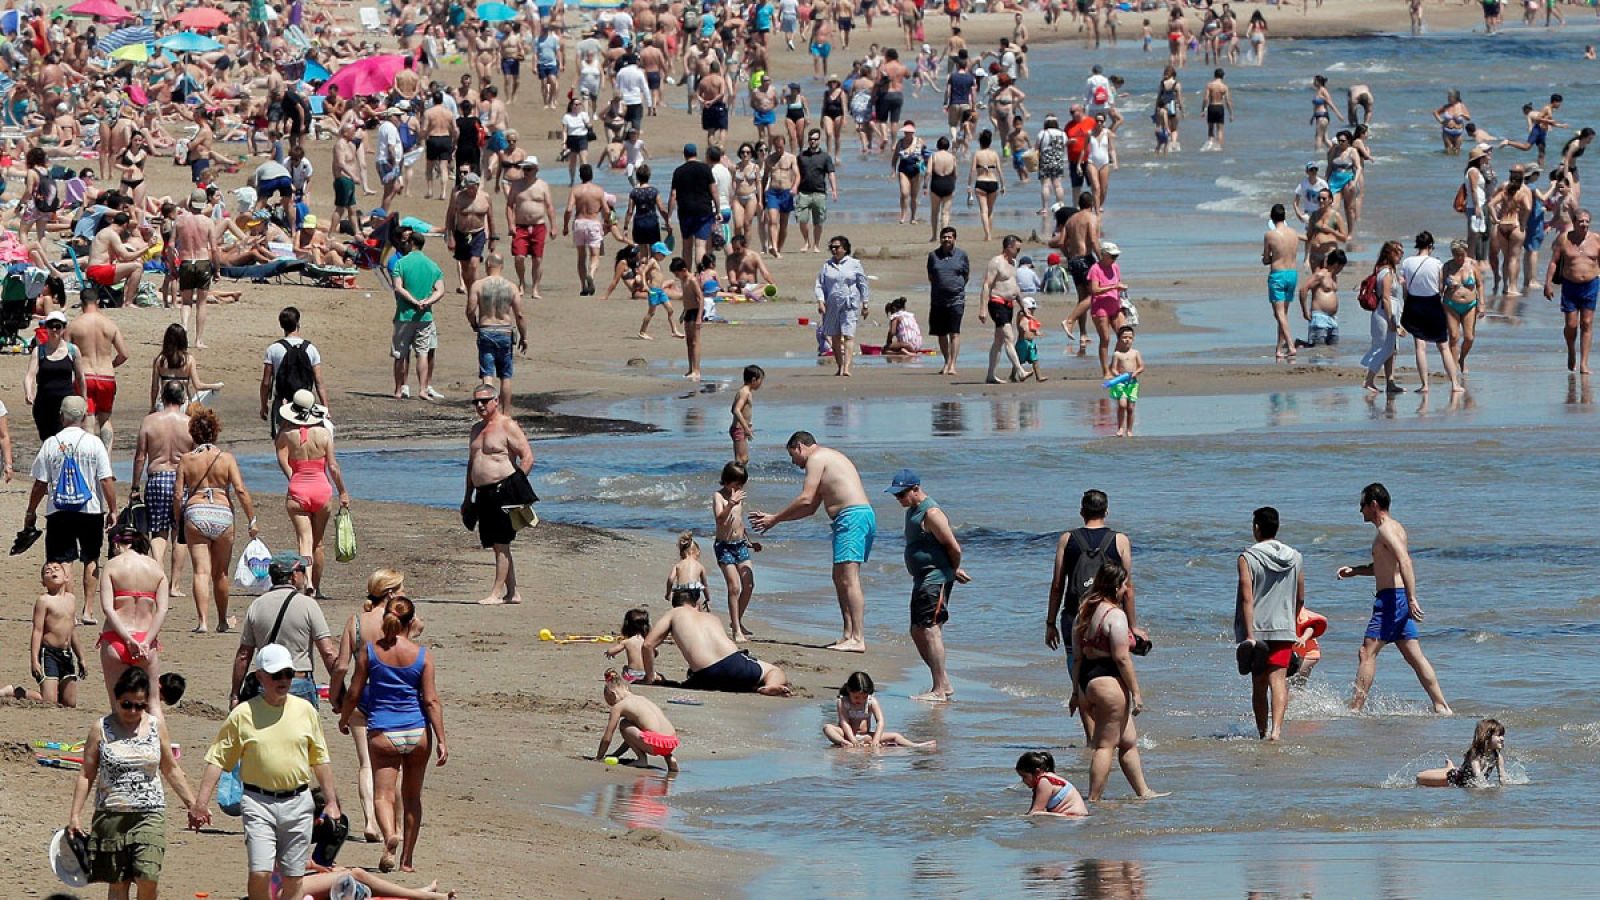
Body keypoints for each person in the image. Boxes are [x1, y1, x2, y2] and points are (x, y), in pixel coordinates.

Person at [191, 643, 343, 900]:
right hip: (258, 802)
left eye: (287, 674)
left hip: (298, 802)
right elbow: (217, 758)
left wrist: (331, 802)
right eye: (276, 675)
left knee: (293, 877)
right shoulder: (243, 715)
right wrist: (200, 803)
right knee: (260, 871)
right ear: (261, 676)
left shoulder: (305, 711)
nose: (283, 680)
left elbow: (320, 759)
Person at [67, 667, 199, 900]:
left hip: (149, 814)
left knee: (148, 877)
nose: (133, 710)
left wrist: (193, 804)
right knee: (118, 884)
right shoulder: (100, 729)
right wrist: (75, 815)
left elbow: (170, 768)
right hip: (111, 815)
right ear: (116, 698)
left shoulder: (156, 726)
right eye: (127, 704)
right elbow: (86, 774)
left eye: (140, 705)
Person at [338, 596, 446, 874]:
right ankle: (407, 861)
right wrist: (442, 739)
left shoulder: (371, 652)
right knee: (412, 798)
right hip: (417, 730)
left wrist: (345, 716)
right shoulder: (422, 655)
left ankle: (389, 837)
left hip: (384, 730)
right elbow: (432, 701)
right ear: (411, 622)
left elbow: (354, 691)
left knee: (383, 795)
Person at [750, 432, 874, 652]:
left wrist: (774, 518)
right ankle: (848, 634)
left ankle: (858, 637)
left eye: (792, 456)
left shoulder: (816, 458)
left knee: (849, 577)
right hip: (854, 518)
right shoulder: (828, 458)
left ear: (799, 446)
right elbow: (809, 508)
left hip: (852, 517)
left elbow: (805, 497)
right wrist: (775, 520)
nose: (794, 463)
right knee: (839, 577)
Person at [1337, 483, 1453, 714]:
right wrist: (1356, 570)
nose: (1360, 511)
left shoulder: (1386, 530)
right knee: (1414, 655)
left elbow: (1405, 561)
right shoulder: (1395, 528)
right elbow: (1384, 567)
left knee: (1366, 652)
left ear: (1373, 505)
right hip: (1395, 598)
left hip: (1392, 601)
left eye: (1362, 505)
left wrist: (1411, 598)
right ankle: (1441, 705)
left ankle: (1354, 709)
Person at [1046, 489, 1137, 735]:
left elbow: (1057, 585)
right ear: (1106, 511)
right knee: (1112, 669)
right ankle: (1114, 729)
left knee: (1079, 669)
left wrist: (1050, 622)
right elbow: (1127, 588)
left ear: (1081, 512)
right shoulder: (1120, 540)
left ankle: (1091, 737)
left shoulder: (1067, 539)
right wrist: (1132, 625)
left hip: (1074, 616)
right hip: (1109, 616)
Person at [1070, 562, 1163, 801]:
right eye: (1123, 585)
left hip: (1086, 681)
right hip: (1108, 683)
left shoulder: (1084, 612)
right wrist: (1137, 693)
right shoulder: (1115, 616)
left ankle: (1144, 792)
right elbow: (1122, 658)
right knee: (1105, 746)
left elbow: (1077, 656)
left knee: (1128, 740)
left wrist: (1075, 693)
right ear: (1115, 587)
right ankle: (1093, 799)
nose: (1126, 590)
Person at [26, 395, 116, 626]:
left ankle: (71, 610)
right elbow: (106, 480)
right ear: (85, 415)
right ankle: (88, 610)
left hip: (59, 510)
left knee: (64, 560)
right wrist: (113, 509)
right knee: (91, 558)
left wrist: (31, 510)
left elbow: (40, 484)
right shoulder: (94, 443)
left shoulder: (51, 443)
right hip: (91, 509)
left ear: (62, 416)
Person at [175, 408, 258, 633]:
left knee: (200, 571)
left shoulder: (186, 460)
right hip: (222, 513)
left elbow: (177, 495)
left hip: (196, 511)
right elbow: (240, 490)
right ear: (215, 432)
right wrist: (252, 519)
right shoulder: (226, 459)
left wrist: (177, 520)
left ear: (193, 433)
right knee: (220, 573)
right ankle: (221, 620)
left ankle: (202, 622)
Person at [889, 469, 968, 702]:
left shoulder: (932, 513)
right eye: (896, 496)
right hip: (922, 579)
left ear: (916, 489)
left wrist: (953, 569)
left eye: (901, 494)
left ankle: (939, 689)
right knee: (916, 630)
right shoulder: (912, 510)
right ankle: (943, 681)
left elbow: (953, 546)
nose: (899, 499)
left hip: (935, 579)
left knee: (931, 630)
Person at [1234, 507, 1305, 742]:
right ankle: (1276, 732)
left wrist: (1250, 635)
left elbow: (1247, 597)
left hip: (1259, 629)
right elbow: (1300, 597)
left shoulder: (1247, 557)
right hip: (1284, 627)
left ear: (1256, 527)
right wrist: (1291, 622)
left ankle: (1263, 732)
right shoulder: (1295, 557)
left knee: (1259, 684)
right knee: (1278, 681)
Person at [462, 383, 535, 605]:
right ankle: (513, 592)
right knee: (495, 543)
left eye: (485, 400)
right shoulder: (476, 429)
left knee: (502, 543)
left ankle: (495, 593)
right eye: (476, 401)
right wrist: (467, 497)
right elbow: (471, 464)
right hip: (482, 493)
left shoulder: (507, 426)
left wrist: (515, 485)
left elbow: (528, 457)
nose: (480, 405)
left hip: (503, 490)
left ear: (495, 401)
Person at [642, 587, 791, 694]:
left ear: (675, 604)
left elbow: (648, 645)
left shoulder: (673, 613)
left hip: (704, 675)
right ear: (696, 603)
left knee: (704, 677)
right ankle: (769, 686)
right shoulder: (711, 617)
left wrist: (650, 677)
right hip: (734, 665)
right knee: (774, 671)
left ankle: (750, 685)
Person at [274, 390, 350, 597]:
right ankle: (316, 587)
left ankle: (306, 579)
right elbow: (333, 467)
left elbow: (280, 452)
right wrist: (343, 491)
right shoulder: (325, 434)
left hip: (298, 488)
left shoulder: (287, 435)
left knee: (304, 541)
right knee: (318, 543)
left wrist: (291, 474)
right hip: (321, 490)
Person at [97, 525, 169, 718]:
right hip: (146, 639)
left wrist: (127, 640)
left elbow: (108, 608)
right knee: (153, 704)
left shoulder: (112, 565)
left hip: (117, 638)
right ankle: (159, 747)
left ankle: (120, 746)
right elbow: (161, 610)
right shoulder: (156, 568)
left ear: (117, 544)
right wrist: (146, 641)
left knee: (118, 704)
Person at [65, 286, 129, 451]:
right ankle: (106, 460)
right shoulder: (110, 325)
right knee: (105, 419)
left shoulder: (74, 326)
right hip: (106, 376)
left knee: (89, 417)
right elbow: (124, 354)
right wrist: (111, 364)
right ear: (98, 302)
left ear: (81, 303)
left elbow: (66, 354)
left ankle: (90, 457)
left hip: (85, 375)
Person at [1399, 231, 1464, 393]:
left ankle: (1425, 385)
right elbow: (1441, 287)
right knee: (1443, 346)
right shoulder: (1436, 263)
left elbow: (1405, 289)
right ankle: (1455, 384)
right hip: (1433, 303)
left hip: (1414, 303)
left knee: (1420, 347)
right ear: (1430, 246)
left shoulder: (1407, 262)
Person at [465, 253, 529, 411]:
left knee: (487, 374)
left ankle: (487, 410)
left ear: (487, 265)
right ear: (502, 266)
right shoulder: (511, 286)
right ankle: (505, 413)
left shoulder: (478, 285)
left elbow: (470, 310)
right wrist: (524, 337)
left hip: (486, 329)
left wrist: (474, 324)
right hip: (505, 331)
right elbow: (519, 315)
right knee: (505, 376)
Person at [712, 461, 764, 642]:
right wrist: (730, 504)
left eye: (742, 484)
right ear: (727, 481)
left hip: (740, 544)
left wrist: (750, 542)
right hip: (724, 546)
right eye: (737, 484)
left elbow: (739, 523)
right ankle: (736, 631)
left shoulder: (739, 497)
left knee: (748, 584)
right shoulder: (718, 497)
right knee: (734, 587)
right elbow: (720, 520)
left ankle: (737, 622)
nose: (740, 487)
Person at [1544, 208, 1600, 374]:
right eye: (1581, 221)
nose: (1584, 224)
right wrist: (1547, 283)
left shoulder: (1596, 240)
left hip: (1591, 285)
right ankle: (1571, 350)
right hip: (1570, 286)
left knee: (1587, 323)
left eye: (1587, 221)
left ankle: (1584, 363)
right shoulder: (1564, 239)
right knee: (1571, 325)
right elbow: (1554, 262)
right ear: (1574, 223)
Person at [392, 232, 445, 402]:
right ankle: (422, 389)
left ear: (412, 243)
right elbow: (440, 290)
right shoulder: (432, 265)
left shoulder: (401, 263)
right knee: (422, 353)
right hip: (425, 316)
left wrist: (414, 301)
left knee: (400, 353)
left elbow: (398, 287)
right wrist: (426, 302)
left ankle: (399, 389)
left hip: (405, 315)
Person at [262, 306, 329, 440]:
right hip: (305, 402)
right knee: (304, 442)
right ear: (298, 323)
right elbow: (319, 382)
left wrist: (263, 405)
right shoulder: (311, 348)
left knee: (282, 444)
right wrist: (325, 408)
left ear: (281, 325)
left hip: (283, 402)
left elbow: (266, 382)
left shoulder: (274, 349)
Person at [823, 671, 936, 749]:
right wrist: (852, 740)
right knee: (827, 728)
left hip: (866, 735)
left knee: (896, 736)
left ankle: (914, 746)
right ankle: (843, 743)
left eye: (864, 697)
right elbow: (844, 722)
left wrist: (876, 740)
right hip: (846, 735)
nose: (860, 700)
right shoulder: (843, 702)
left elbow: (880, 721)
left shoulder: (871, 701)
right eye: (856, 697)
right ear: (849, 690)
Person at [594, 669, 679, 771]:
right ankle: (670, 759)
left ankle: (641, 759)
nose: (612, 705)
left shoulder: (619, 706)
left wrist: (599, 757)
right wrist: (615, 755)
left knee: (624, 724)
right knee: (648, 728)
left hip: (655, 744)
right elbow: (631, 739)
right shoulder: (642, 699)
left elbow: (608, 737)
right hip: (670, 742)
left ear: (613, 694)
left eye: (611, 702)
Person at [24, 310, 86, 442]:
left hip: (66, 406)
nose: (54, 330)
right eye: (50, 326)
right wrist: (28, 392)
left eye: (58, 326)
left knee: (65, 441)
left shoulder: (72, 350)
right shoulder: (38, 351)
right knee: (48, 442)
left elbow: (80, 377)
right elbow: (30, 375)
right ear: (46, 327)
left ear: (64, 328)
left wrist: (84, 398)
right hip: (44, 405)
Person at [31, 561, 85, 707]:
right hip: (49, 653)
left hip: (66, 654)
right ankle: (14, 691)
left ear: (66, 577)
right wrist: (34, 660)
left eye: (56, 569)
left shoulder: (71, 599)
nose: (52, 571)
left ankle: (55, 689)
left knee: (70, 703)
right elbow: (37, 630)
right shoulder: (44, 601)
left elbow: (72, 631)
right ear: (43, 582)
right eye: (47, 571)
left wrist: (81, 657)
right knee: (49, 702)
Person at [815, 234, 870, 377]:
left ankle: (846, 367)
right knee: (835, 335)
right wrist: (820, 301)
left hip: (849, 304)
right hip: (831, 305)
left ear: (845, 249)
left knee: (848, 335)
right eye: (831, 247)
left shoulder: (854, 264)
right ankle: (839, 365)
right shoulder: (827, 265)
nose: (834, 250)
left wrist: (865, 304)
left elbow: (863, 284)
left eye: (837, 247)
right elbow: (819, 285)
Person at [174, 188, 222, 349]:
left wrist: (171, 265)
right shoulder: (208, 222)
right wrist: (218, 269)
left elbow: (170, 246)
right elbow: (214, 248)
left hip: (186, 261)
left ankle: (185, 327)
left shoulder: (179, 220)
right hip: (202, 262)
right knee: (201, 303)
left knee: (186, 301)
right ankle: (198, 340)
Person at [980, 235, 1029, 383]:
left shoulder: (1013, 263)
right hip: (996, 302)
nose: (1018, 252)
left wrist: (1023, 306)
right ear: (1009, 247)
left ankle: (990, 375)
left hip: (1009, 305)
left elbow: (1015, 287)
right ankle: (1020, 370)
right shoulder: (996, 262)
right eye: (1017, 249)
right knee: (1009, 337)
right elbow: (987, 285)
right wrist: (982, 309)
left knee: (998, 341)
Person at [1361, 240, 1406, 394]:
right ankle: (1369, 380)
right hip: (1385, 313)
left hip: (1389, 312)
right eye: (1398, 253)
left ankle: (1389, 382)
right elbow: (1386, 298)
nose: (1401, 256)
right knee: (1384, 348)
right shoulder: (1386, 273)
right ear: (1390, 254)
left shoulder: (1388, 271)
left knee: (1391, 349)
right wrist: (1392, 320)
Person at [927, 226, 970, 375]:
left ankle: (953, 364)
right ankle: (946, 361)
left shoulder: (961, 255)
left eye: (949, 237)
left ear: (954, 239)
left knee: (954, 333)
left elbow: (966, 275)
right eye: (944, 237)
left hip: (956, 299)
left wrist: (956, 288)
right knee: (941, 333)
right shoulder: (933, 256)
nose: (946, 239)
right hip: (938, 300)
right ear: (940, 239)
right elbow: (931, 276)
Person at [1416, 719, 1506, 787]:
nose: (1502, 738)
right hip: (1454, 779)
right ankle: (1450, 769)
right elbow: (1477, 775)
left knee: (1459, 769)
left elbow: (1502, 777)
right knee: (1419, 778)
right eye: (1498, 735)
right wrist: (1486, 787)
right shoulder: (1475, 754)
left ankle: (1450, 767)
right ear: (1486, 737)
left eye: (1502, 735)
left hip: (1463, 777)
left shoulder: (1498, 757)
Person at [794, 128, 837, 253]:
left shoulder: (825, 157)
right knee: (802, 219)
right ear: (808, 140)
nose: (813, 141)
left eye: (816, 139)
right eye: (811, 139)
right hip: (803, 193)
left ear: (819, 140)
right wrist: (794, 187)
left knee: (818, 221)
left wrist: (834, 190)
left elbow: (831, 173)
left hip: (819, 193)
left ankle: (816, 244)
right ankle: (806, 242)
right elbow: (796, 173)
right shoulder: (801, 156)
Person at [1296, 247, 1346, 349]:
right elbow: (1303, 289)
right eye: (1342, 267)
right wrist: (1305, 311)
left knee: (1333, 350)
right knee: (1319, 350)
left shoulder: (1334, 277)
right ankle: (1299, 345)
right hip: (1320, 317)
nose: (1342, 270)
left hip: (1332, 319)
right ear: (1336, 265)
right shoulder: (1320, 275)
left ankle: (1301, 344)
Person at [1015, 750, 1087, 816]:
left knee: (1036, 814)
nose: (1023, 781)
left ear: (1037, 772)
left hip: (1073, 817)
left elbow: (1035, 811)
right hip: (1076, 816)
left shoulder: (1044, 782)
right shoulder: (1045, 778)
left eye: (1024, 777)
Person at [605, 609, 660, 683]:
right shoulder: (648, 643)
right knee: (656, 674)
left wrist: (609, 653)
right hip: (647, 673)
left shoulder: (627, 642)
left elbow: (611, 651)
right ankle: (655, 677)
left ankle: (630, 677)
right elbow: (656, 652)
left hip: (632, 674)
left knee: (625, 669)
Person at [1108, 325, 1143, 437]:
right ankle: (1120, 428)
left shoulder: (1135, 353)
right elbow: (1112, 368)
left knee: (1131, 408)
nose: (1127, 340)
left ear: (1133, 339)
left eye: (1130, 337)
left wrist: (1135, 373)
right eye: (1124, 337)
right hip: (1120, 383)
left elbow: (1141, 366)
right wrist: (1118, 376)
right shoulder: (1117, 354)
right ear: (1119, 339)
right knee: (1122, 405)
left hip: (1132, 383)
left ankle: (1129, 430)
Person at [729, 365, 763, 466]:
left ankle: (739, 476)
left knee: (744, 459)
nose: (761, 384)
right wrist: (745, 427)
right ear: (754, 380)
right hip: (739, 429)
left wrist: (748, 423)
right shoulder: (744, 392)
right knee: (741, 459)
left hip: (741, 428)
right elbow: (736, 410)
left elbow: (733, 409)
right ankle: (734, 477)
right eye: (760, 381)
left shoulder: (745, 392)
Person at [1201, 69, 1232, 151]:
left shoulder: (1210, 85)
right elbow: (1228, 101)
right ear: (1223, 76)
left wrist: (1203, 110)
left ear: (1214, 75)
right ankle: (1219, 148)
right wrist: (1231, 114)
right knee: (1220, 130)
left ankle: (1210, 145)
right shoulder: (1224, 87)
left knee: (1210, 129)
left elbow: (1205, 99)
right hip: (1220, 107)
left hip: (1211, 107)